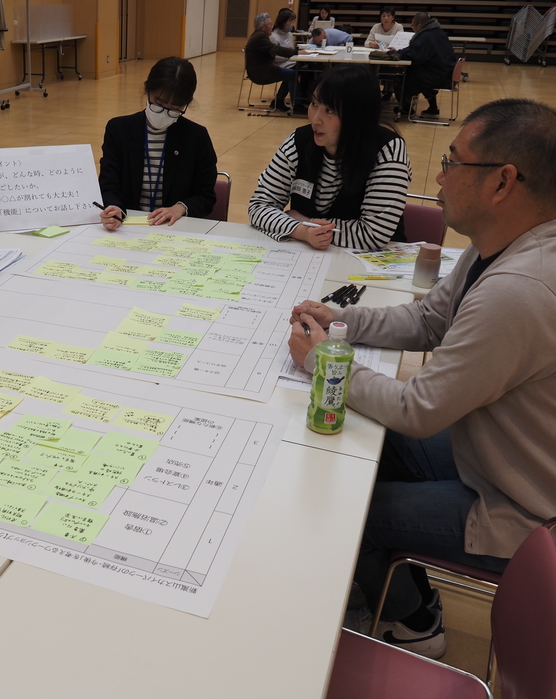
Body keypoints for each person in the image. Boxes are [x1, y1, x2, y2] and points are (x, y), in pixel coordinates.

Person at [288, 99, 556, 659]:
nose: (438, 176)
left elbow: (417, 409)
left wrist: (322, 361)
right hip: (488, 450)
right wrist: (341, 321)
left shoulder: (520, 290)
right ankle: (396, 583)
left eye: (453, 161)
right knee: (366, 447)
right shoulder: (498, 244)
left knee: (352, 508)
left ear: (502, 182)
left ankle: (414, 620)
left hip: (518, 504)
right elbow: (431, 319)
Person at [248, 65, 411, 251]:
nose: (315, 119)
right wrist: (301, 230)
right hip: (311, 258)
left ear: (358, 116)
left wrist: (306, 221)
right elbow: (259, 206)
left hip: (369, 262)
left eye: (330, 111)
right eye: (314, 104)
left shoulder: (388, 150)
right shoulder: (299, 141)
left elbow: (372, 235)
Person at [97, 57, 218, 231]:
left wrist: (180, 208)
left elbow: (205, 195)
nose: (164, 113)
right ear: (147, 91)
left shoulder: (196, 137)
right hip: (127, 226)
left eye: (175, 108)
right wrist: (114, 208)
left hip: (173, 228)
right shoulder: (119, 129)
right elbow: (108, 183)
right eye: (159, 103)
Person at [388, 12, 456, 117]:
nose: (413, 29)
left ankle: (406, 108)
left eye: (413, 26)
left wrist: (394, 53)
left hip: (437, 76)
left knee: (401, 78)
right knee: (420, 71)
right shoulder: (437, 32)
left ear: (419, 25)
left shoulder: (426, 36)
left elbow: (413, 54)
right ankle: (433, 108)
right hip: (446, 73)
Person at [245, 13, 309, 116]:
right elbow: (275, 49)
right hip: (261, 72)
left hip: (262, 69)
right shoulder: (260, 37)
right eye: (270, 24)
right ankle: (296, 104)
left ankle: (279, 101)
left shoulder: (258, 35)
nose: (272, 26)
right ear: (263, 27)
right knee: (292, 74)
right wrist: (296, 52)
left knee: (291, 73)